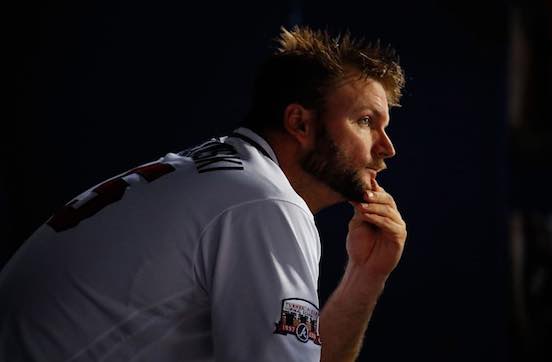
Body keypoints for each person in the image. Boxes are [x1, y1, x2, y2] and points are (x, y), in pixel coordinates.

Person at [0, 26, 407, 361]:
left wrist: (365, 275)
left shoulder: (226, 172)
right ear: (299, 123)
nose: (386, 147)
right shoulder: (265, 202)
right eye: (366, 121)